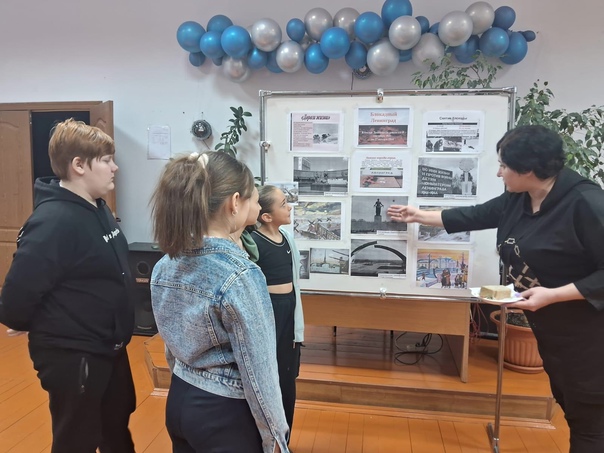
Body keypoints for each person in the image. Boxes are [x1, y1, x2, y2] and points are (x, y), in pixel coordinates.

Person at [387, 125, 604, 452]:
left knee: (590, 421)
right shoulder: (520, 198)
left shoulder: (587, 203)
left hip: (589, 334)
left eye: (504, 165)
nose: (499, 172)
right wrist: (419, 215)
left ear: (528, 170)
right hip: (552, 329)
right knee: (572, 406)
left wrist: (554, 294)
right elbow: (475, 215)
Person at [0, 118, 136, 453]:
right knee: (77, 439)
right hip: (75, 355)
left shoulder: (97, 207)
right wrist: (30, 320)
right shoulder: (53, 221)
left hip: (108, 347)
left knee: (116, 430)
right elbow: (15, 299)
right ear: (78, 165)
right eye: (106, 160)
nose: (115, 167)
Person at [149, 153, 289, 453]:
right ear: (234, 202)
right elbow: (259, 369)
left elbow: (172, 346)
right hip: (225, 412)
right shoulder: (240, 275)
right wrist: (276, 438)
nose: (256, 207)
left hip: (180, 398)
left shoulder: (165, 264)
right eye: (253, 199)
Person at [249, 185, 304, 434]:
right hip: (268, 312)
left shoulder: (287, 239)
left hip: (288, 309)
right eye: (283, 204)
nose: (289, 207)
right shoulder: (254, 243)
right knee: (268, 373)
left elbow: (295, 284)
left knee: (287, 376)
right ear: (266, 216)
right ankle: (266, 436)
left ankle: (284, 437)